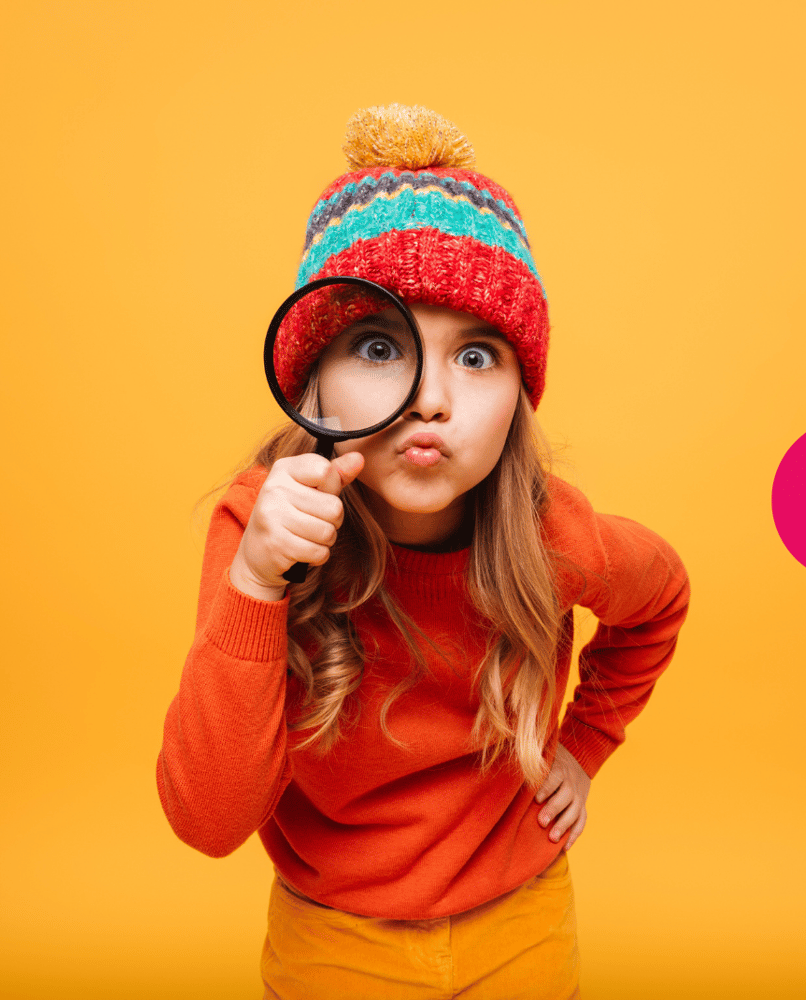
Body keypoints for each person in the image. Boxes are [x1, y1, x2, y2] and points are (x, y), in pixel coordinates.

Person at [157, 103, 690, 999]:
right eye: (378, 347)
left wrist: (583, 743)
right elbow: (207, 819)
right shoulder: (258, 531)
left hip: (518, 913)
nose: (430, 399)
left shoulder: (550, 531)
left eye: (476, 357)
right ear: (311, 382)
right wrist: (256, 583)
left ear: (522, 391)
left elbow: (661, 595)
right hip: (335, 933)